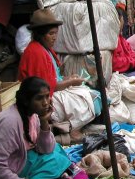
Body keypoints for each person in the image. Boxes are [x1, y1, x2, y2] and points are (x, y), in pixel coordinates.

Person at [0, 77, 85, 179]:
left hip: (20, 161)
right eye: (39, 98)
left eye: (47, 96)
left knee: (56, 149)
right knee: (55, 160)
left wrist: (44, 121)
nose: (45, 102)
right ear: (26, 101)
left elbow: (46, 149)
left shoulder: (33, 115)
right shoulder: (10, 122)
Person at [18, 9, 99, 143]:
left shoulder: (44, 49)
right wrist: (71, 82)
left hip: (50, 92)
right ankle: (72, 130)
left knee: (92, 93)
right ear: (40, 35)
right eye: (51, 34)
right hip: (42, 98)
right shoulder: (36, 53)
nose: (54, 37)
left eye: (55, 33)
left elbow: (54, 76)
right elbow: (48, 87)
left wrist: (68, 78)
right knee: (92, 99)